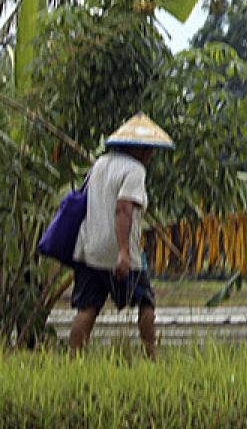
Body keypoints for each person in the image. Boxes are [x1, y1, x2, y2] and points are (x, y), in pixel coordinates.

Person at [68, 112, 173, 360]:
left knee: (87, 308)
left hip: (90, 248)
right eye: (150, 151)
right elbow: (123, 209)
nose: (151, 156)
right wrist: (124, 252)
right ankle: (151, 356)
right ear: (140, 150)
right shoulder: (135, 170)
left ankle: (71, 360)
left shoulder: (100, 164)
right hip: (118, 251)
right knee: (146, 301)